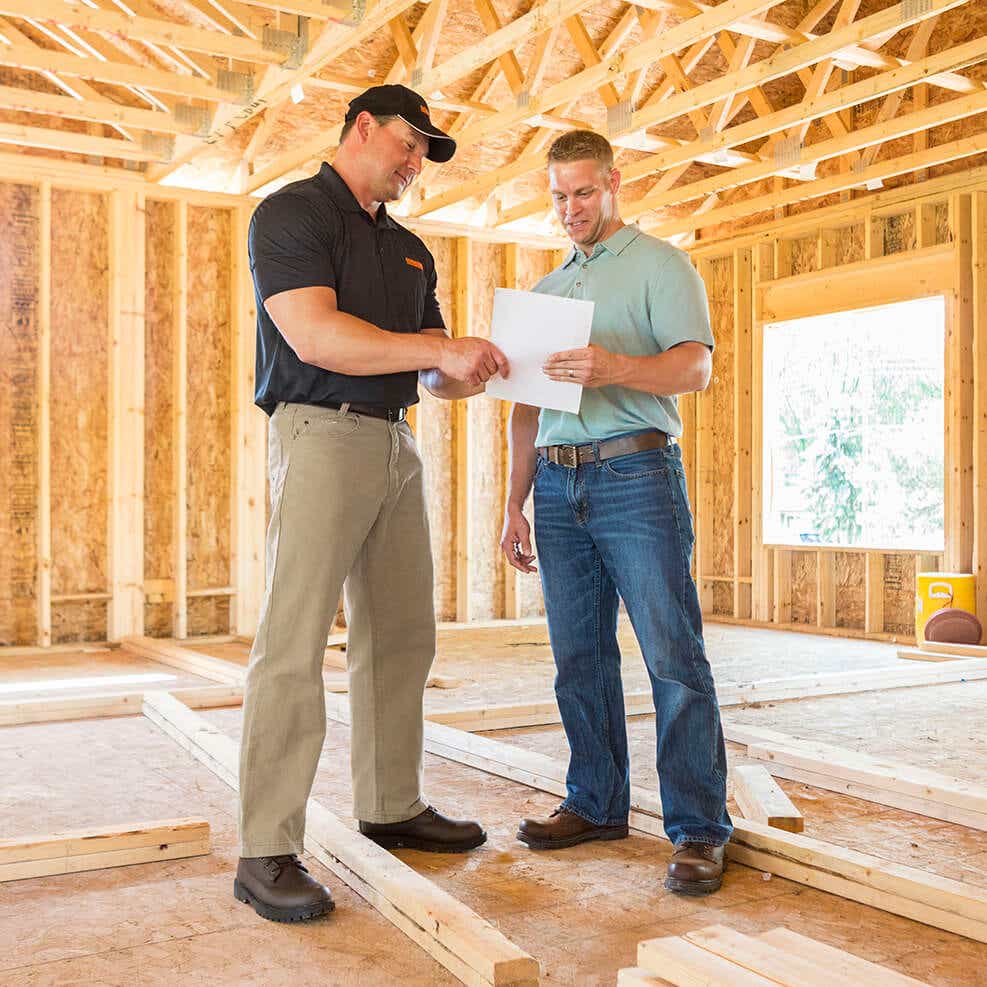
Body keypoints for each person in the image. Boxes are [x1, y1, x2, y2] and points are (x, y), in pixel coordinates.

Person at [235, 84, 509, 923]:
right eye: (409, 143)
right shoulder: (291, 216)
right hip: (319, 432)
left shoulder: (410, 251)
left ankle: (390, 803)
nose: (415, 161)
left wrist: (469, 369)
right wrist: (435, 347)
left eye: (424, 151)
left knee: (398, 634)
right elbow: (315, 336)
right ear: (363, 127)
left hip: (394, 442)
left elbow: (426, 370)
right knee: (294, 640)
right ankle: (265, 849)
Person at [500, 129, 732, 896]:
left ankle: (697, 827)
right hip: (558, 490)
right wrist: (513, 503)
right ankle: (596, 802)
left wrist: (616, 368)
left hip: (636, 471)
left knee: (671, 651)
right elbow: (526, 409)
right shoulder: (544, 290)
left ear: (613, 183)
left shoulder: (661, 265)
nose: (570, 208)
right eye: (559, 195)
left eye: (583, 192)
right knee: (578, 656)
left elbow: (693, 366)